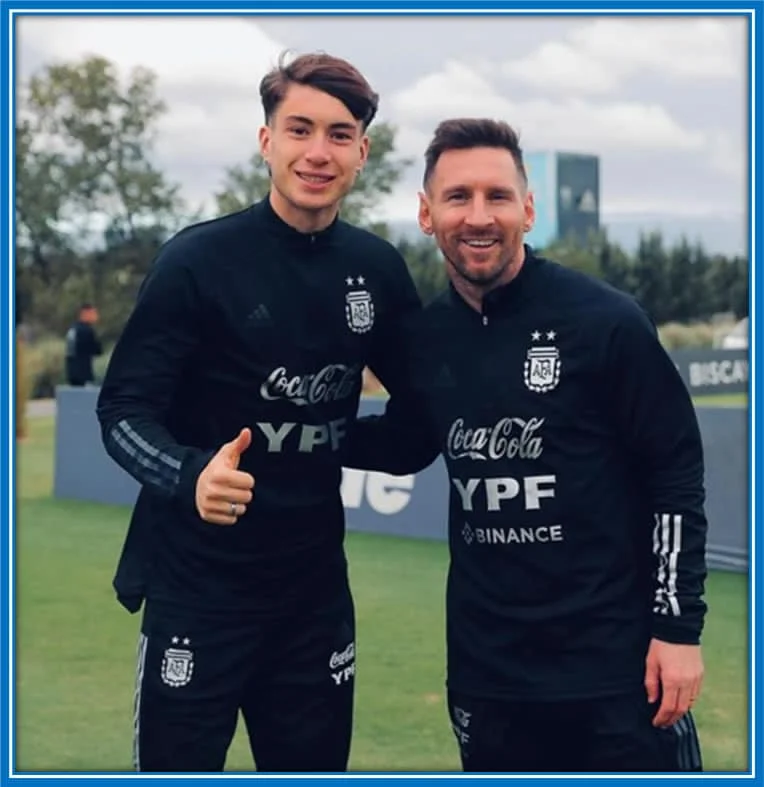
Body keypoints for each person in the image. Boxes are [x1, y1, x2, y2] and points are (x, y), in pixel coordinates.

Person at [344, 118, 708, 773]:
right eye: (457, 197)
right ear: (426, 214)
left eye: (497, 196)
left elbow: (674, 471)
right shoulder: (426, 339)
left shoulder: (606, 322)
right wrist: (290, 427)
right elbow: (405, 442)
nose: (478, 216)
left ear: (528, 209)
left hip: (617, 671)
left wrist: (677, 628)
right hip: (490, 676)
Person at [95, 52, 421, 773]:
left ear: (362, 153)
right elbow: (122, 408)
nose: (318, 151)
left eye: (339, 134)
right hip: (197, 594)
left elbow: (418, 423)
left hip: (313, 603)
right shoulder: (198, 262)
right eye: (299, 128)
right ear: (266, 139)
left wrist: (332, 443)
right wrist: (190, 474)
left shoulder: (378, 271)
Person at [65, 302, 103, 386]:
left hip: (71, 373)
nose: (96, 316)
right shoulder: (86, 331)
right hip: (83, 374)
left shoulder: (73, 328)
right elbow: (98, 350)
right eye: (93, 313)